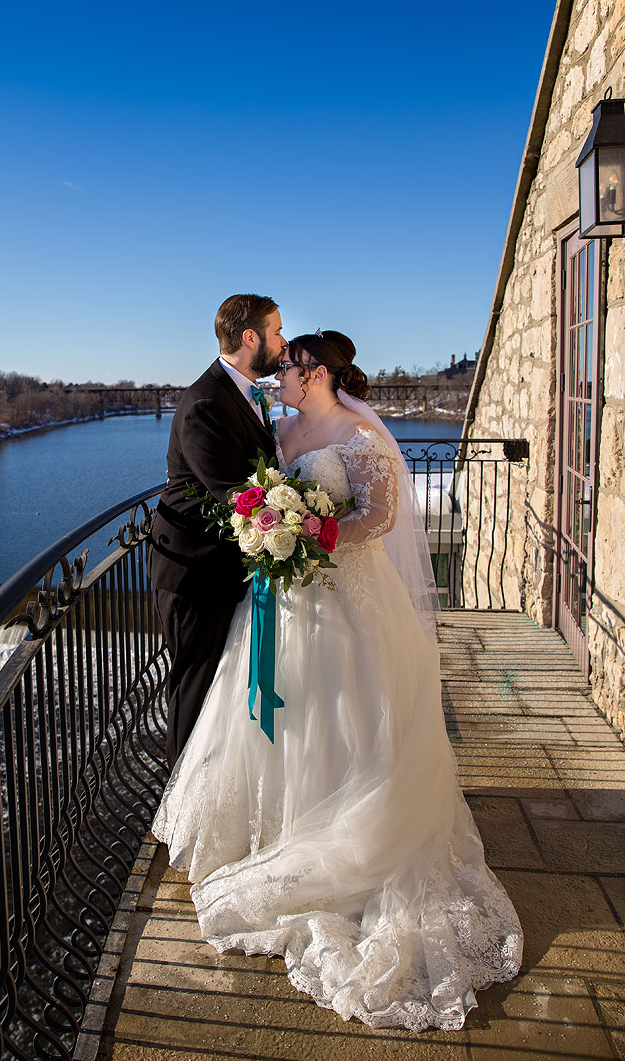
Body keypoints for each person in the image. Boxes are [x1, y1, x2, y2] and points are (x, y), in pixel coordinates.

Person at [152, 330, 523, 1032]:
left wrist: (311, 534)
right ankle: (271, 828)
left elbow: (377, 516)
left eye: (286, 367)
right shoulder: (282, 429)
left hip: (346, 597)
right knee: (281, 711)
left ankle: (345, 832)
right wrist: (270, 525)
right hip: (285, 599)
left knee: (344, 714)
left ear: (315, 372)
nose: (276, 375)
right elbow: (253, 492)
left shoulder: (359, 433)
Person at [147, 294, 287, 769]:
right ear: (252, 339)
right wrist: (302, 523)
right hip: (194, 571)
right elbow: (236, 492)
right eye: (277, 332)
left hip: (224, 570)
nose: (283, 342)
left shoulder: (245, 393)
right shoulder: (205, 402)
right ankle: (177, 814)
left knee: (216, 687)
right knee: (194, 687)